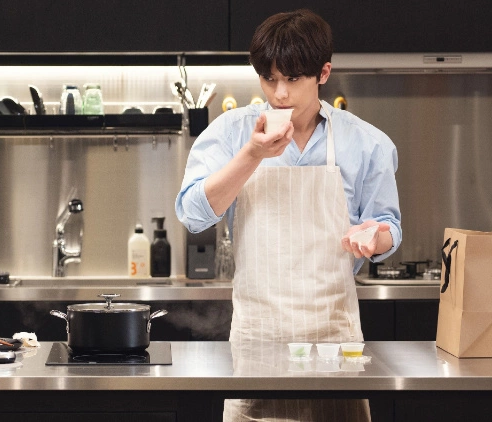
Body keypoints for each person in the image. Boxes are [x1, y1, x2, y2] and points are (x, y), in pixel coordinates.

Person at [175, 9, 401, 421]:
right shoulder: (231, 133)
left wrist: (375, 237)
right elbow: (192, 214)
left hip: (335, 344)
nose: (279, 93)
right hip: (258, 342)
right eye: (268, 78)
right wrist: (251, 155)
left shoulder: (366, 143)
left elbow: (389, 229)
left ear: (323, 73)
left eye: (293, 79)